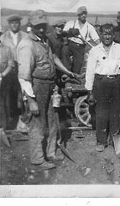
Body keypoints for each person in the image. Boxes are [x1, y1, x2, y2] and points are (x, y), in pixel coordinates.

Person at [17, 12, 78, 170]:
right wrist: (31, 101)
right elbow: (24, 77)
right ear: (32, 26)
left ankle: (51, 152)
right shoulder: (27, 45)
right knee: (37, 124)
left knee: (52, 121)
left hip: (50, 85)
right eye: (38, 27)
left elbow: (54, 58)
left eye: (43, 26)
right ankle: (38, 159)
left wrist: (68, 72)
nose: (42, 30)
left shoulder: (44, 41)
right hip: (37, 87)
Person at [85, 24, 120, 152]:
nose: (107, 36)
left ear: (113, 35)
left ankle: (114, 139)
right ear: (101, 35)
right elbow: (90, 72)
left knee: (116, 113)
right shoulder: (95, 51)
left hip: (116, 82)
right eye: (105, 34)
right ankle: (101, 141)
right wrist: (90, 91)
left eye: (110, 34)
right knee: (101, 114)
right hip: (101, 83)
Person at [0, 14, 29, 130]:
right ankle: (10, 120)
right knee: (9, 96)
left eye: (16, 22)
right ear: (9, 24)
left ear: (20, 24)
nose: (14, 25)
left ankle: (24, 120)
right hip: (9, 73)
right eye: (12, 23)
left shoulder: (26, 36)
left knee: (24, 95)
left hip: (23, 68)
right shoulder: (3, 37)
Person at [62, 6, 100, 74]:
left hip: (80, 47)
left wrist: (101, 47)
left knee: (78, 65)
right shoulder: (71, 23)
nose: (83, 15)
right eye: (81, 14)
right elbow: (63, 33)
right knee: (65, 51)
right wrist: (70, 32)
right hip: (70, 44)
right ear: (78, 15)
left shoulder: (89, 27)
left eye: (85, 14)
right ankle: (66, 72)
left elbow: (96, 39)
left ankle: (75, 77)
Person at [0, 42, 15, 130]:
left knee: (4, 103)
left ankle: (4, 127)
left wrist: (2, 75)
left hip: (3, 79)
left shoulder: (6, 49)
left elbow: (11, 65)